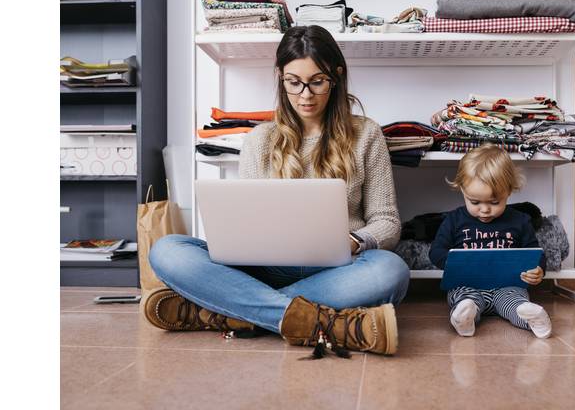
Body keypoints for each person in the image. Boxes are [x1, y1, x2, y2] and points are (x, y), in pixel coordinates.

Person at [141, 26, 410, 356]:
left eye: (317, 81)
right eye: (293, 82)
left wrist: (354, 241)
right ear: (281, 77)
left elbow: (387, 222)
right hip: (264, 269)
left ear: (336, 76)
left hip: (336, 269)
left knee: (391, 271)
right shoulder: (260, 139)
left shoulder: (366, 134)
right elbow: (248, 222)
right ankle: (321, 322)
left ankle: (234, 313)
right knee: (167, 249)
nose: (305, 95)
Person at [428, 142, 552, 339]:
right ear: (462, 190)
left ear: (509, 191)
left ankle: (532, 316)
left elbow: (533, 251)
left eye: (495, 202)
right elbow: (436, 251)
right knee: (465, 299)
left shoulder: (519, 220)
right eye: (474, 202)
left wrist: (538, 269)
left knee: (514, 302)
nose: (485, 210)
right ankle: (466, 317)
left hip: (507, 286)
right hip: (468, 284)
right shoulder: (454, 219)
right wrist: (456, 263)